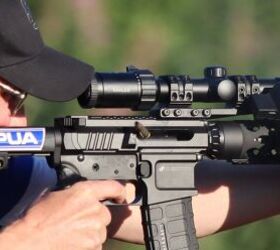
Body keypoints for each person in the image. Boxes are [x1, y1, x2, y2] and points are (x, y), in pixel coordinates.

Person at [0, 0, 280, 249]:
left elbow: (153, 198)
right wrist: (28, 238)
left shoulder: (11, 175)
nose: (19, 123)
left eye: (23, 101)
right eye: (11, 96)